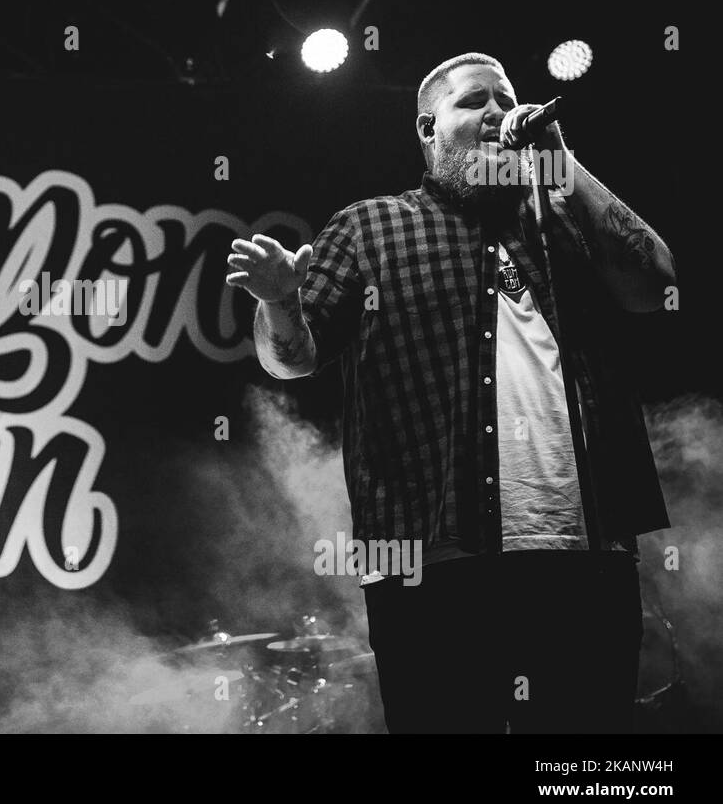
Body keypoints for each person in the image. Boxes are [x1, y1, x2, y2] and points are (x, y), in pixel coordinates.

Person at [227, 52, 677, 733]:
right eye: (474, 102)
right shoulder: (369, 226)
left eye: (505, 98)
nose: (497, 112)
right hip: (433, 569)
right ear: (428, 129)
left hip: (588, 563)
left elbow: (657, 284)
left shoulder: (564, 223)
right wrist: (283, 303)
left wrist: (562, 161)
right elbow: (293, 359)